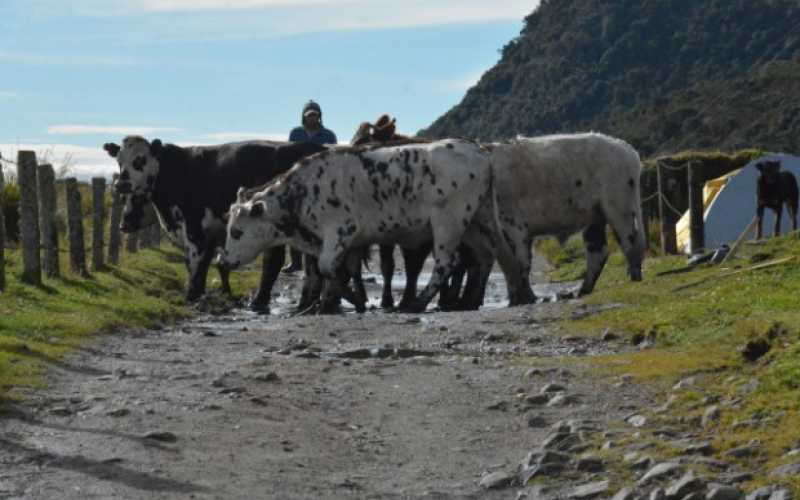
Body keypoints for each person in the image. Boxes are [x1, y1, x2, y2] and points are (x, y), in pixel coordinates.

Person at [283, 100, 338, 273]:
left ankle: (319, 258)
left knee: (318, 222)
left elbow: (333, 159)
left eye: (315, 114)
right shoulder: (295, 133)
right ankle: (295, 262)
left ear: (319, 116)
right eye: (309, 115)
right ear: (304, 116)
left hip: (321, 182)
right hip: (298, 181)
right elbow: (288, 156)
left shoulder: (329, 135)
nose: (312, 117)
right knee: (294, 221)